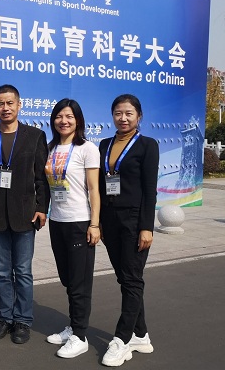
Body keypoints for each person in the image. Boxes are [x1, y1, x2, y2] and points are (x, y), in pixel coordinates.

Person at [0, 84, 50, 344]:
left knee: (23, 271)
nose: (5, 108)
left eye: (9, 103)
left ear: (19, 105)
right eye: (0, 104)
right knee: (3, 272)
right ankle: (5, 318)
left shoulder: (35, 136)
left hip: (25, 214)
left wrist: (42, 207)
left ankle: (23, 321)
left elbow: (41, 177)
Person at [98, 94, 158, 366]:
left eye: (128, 113)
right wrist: (98, 221)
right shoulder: (104, 145)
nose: (123, 118)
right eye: (118, 113)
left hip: (134, 220)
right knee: (125, 278)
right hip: (110, 219)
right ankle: (141, 335)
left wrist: (146, 227)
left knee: (133, 279)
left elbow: (150, 190)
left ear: (139, 116)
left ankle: (122, 340)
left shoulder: (147, 145)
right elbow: (101, 185)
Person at [44, 99, 101, 359]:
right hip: (57, 221)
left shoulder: (87, 149)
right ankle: (73, 326)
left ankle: (80, 336)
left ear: (78, 120)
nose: (63, 121)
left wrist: (94, 224)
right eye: (59, 116)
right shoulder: (50, 148)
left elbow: (94, 189)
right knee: (68, 278)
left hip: (80, 221)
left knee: (80, 282)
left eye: (69, 116)